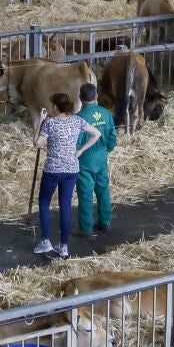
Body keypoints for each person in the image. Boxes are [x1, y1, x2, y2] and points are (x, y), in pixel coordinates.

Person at [32, 93, 97, 257]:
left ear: (55, 107)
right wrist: (80, 150)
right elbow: (96, 134)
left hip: (53, 170)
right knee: (65, 205)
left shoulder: (50, 123)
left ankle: (46, 242)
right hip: (71, 169)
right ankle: (64, 246)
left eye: (52, 104)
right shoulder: (77, 120)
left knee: (44, 203)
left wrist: (40, 120)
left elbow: (37, 144)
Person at [74, 83, 117, 238]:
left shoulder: (78, 117)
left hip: (85, 160)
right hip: (101, 158)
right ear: (96, 96)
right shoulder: (106, 114)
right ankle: (105, 222)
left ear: (80, 98)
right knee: (103, 190)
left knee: (85, 193)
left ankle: (86, 228)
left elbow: (77, 143)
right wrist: (107, 150)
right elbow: (112, 137)